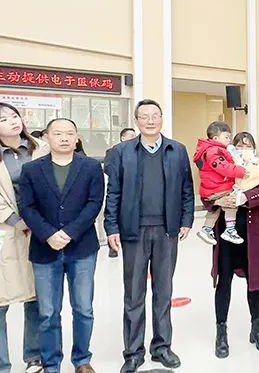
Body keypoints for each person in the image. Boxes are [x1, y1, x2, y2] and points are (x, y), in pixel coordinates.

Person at [104, 99, 194, 373]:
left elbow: (187, 188)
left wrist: (186, 220)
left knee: (163, 291)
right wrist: (111, 227)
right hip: (133, 231)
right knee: (133, 294)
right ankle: (133, 352)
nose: (150, 120)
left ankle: (162, 347)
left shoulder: (177, 150)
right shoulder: (121, 152)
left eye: (155, 115)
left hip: (167, 230)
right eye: (144, 116)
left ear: (161, 118)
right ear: (136, 121)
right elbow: (114, 192)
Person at [18, 118, 105, 373]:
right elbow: (27, 206)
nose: (64, 138)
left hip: (82, 247)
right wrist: (48, 234)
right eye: (58, 133)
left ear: (77, 138)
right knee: (47, 312)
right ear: (47, 137)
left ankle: (82, 360)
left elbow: (94, 203)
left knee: (84, 308)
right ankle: (51, 364)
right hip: (44, 249)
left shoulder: (91, 167)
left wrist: (68, 233)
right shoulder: (32, 170)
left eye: (69, 133)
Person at [209, 132, 259, 358]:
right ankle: (221, 332)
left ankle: (256, 328)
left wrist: (245, 197)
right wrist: (219, 199)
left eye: (248, 145)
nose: (243, 148)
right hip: (226, 232)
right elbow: (207, 188)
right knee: (224, 281)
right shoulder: (222, 164)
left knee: (255, 282)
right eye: (239, 145)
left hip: (254, 231)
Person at [0, 102, 48, 373]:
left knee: (36, 297)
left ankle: (34, 357)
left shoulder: (41, 148)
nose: (12, 121)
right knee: (1, 301)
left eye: (14, 116)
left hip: (40, 231)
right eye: (3, 119)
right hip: (6, 231)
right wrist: (15, 220)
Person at [193, 121, 246, 246]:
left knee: (215, 209)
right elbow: (224, 168)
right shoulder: (214, 151)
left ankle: (206, 229)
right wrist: (241, 171)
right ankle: (230, 230)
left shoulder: (210, 150)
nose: (229, 140)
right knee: (231, 203)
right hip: (218, 187)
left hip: (211, 188)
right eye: (226, 137)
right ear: (216, 138)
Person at [103, 128, 137, 259]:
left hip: (133, 191)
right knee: (114, 217)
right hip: (119, 188)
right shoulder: (113, 151)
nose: (133, 138)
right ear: (122, 138)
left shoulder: (138, 151)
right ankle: (113, 247)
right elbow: (108, 168)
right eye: (130, 135)